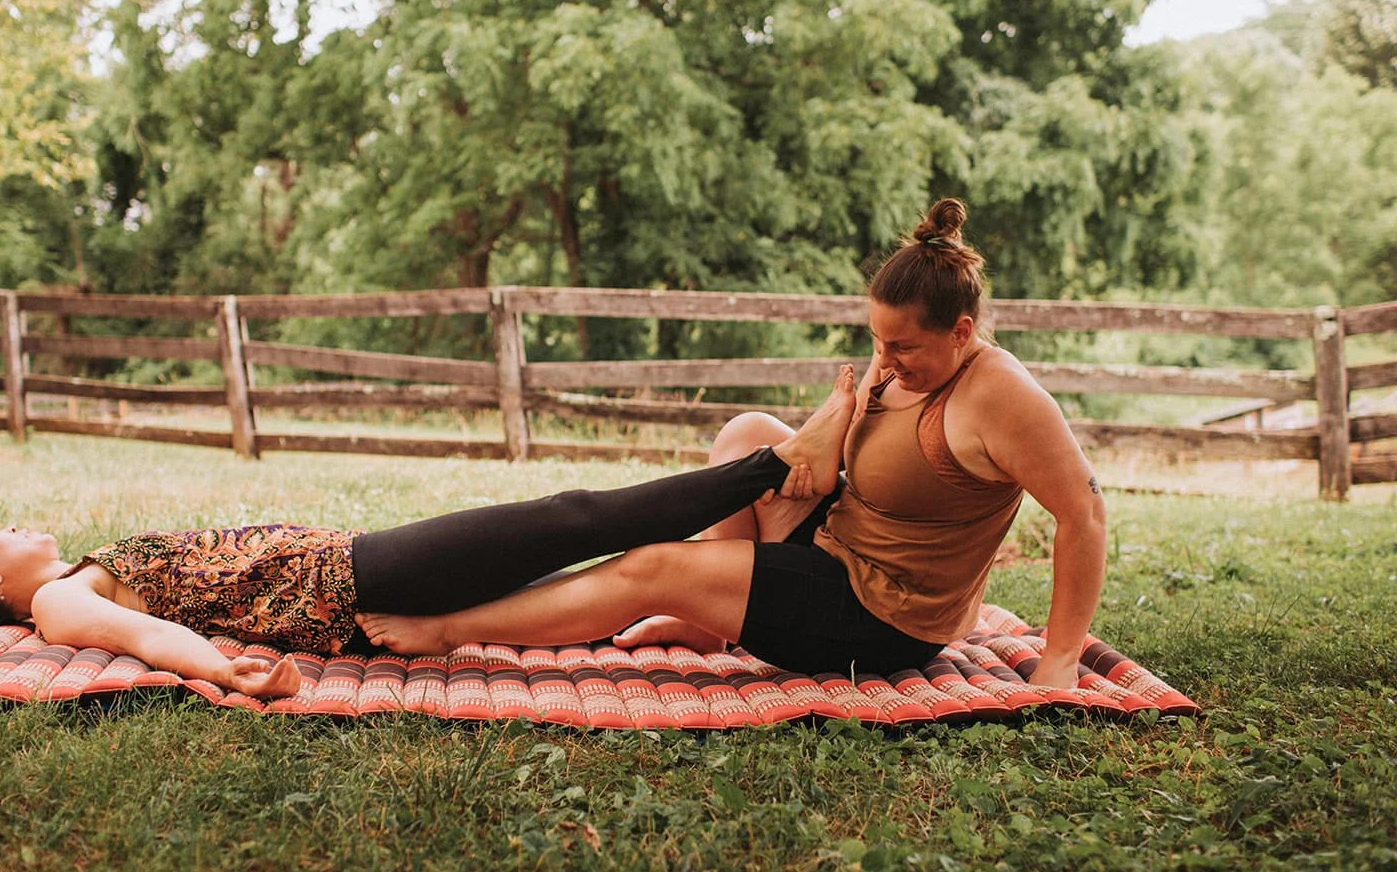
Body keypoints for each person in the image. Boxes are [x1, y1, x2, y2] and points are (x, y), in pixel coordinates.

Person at [359, 199, 1107, 690]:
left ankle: (450, 629)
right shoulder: (902, 356)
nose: (886, 356)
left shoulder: (1002, 398)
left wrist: (1061, 659)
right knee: (747, 434)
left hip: (881, 616)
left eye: (903, 345)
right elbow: (817, 461)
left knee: (651, 564)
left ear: (963, 333)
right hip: (838, 544)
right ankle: (708, 618)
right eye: (878, 338)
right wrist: (837, 416)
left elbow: (1085, 516)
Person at [0, 374, 857, 700]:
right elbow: (146, 640)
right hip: (357, 578)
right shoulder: (54, 599)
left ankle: (691, 599)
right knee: (572, 519)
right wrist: (224, 668)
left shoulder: (71, 577)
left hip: (361, 564)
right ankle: (778, 464)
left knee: (577, 538)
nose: (15, 522)